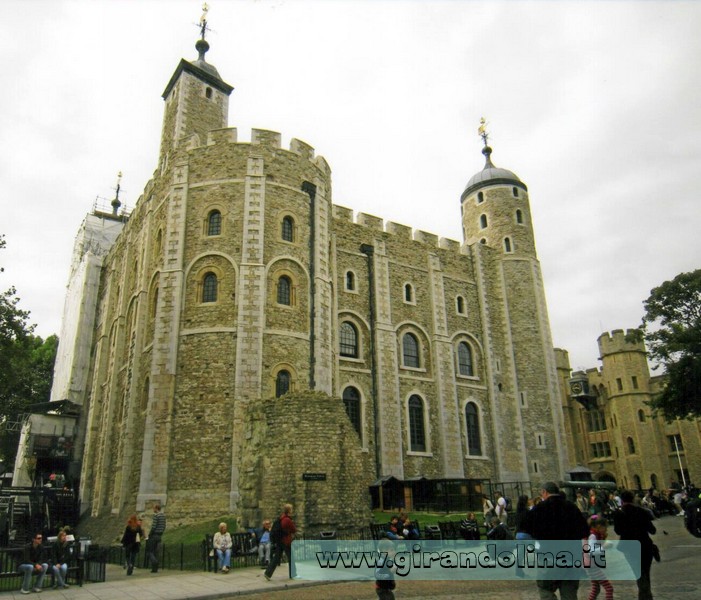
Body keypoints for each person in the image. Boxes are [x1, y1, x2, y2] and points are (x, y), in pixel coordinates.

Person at [522, 481, 589, 600]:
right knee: (569, 593)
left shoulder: (539, 509)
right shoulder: (571, 507)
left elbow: (527, 530)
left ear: (544, 492)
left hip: (549, 557)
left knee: (545, 589)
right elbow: (584, 531)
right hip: (571, 558)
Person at [614, 489, 656, 600]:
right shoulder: (642, 511)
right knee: (645, 573)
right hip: (644, 544)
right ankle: (646, 596)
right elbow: (652, 530)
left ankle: (645, 596)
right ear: (632, 499)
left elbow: (618, 531)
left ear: (622, 500)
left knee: (639, 573)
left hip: (629, 547)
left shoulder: (619, 513)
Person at [264, 503, 297, 581]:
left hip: (280, 540)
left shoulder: (281, 517)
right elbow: (294, 529)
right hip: (286, 541)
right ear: (289, 510)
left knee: (276, 557)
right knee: (291, 557)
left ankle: (268, 573)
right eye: (291, 509)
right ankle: (293, 574)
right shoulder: (287, 520)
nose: (292, 511)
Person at [586, 516, 613, 600]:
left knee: (596, 588)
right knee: (609, 588)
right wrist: (604, 547)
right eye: (605, 527)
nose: (606, 529)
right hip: (592, 565)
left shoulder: (594, 535)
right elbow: (590, 551)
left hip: (592, 565)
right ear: (599, 526)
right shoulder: (593, 536)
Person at [147, 502, 166, 573]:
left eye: (153, 508)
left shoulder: (156, 515)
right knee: (156, 552)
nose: (153, 509)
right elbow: (164, 526)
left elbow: (153, 526)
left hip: (154, 535)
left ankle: (154, 562)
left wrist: (150, 534)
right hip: (160, 535)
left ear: (156, 508)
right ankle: (154, 569)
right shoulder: (163, 516)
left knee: (150, 551)